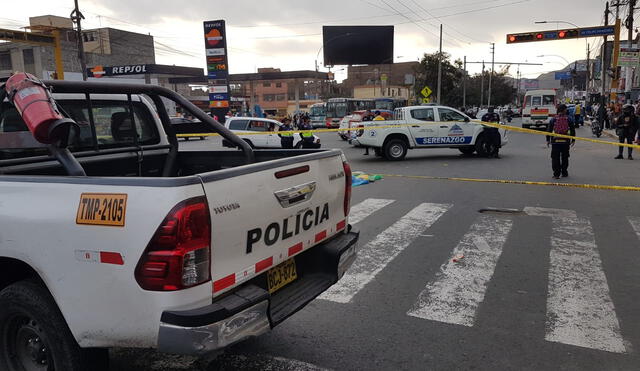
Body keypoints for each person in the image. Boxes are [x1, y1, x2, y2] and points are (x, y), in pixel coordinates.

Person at [546, 104, 576, 179]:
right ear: (564, 110)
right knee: (565, 157)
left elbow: (549, 130)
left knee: (555, 157)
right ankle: (564, 172)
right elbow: (572, 130)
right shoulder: (569, 118)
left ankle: (556, 174)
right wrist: (573, 140)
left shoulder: (553, 119)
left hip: (555, 141)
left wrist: (547, 140)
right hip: (565, 141)